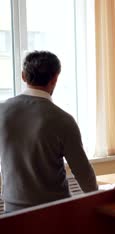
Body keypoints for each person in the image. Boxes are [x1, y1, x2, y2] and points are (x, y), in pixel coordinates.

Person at [0, 50, 98, 212]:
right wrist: (97, 199)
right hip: (53, 212)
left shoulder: (2, 111)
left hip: (12, 211)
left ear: (23, 76)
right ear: (55, 78)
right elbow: (83, 172)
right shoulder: (63, 120)